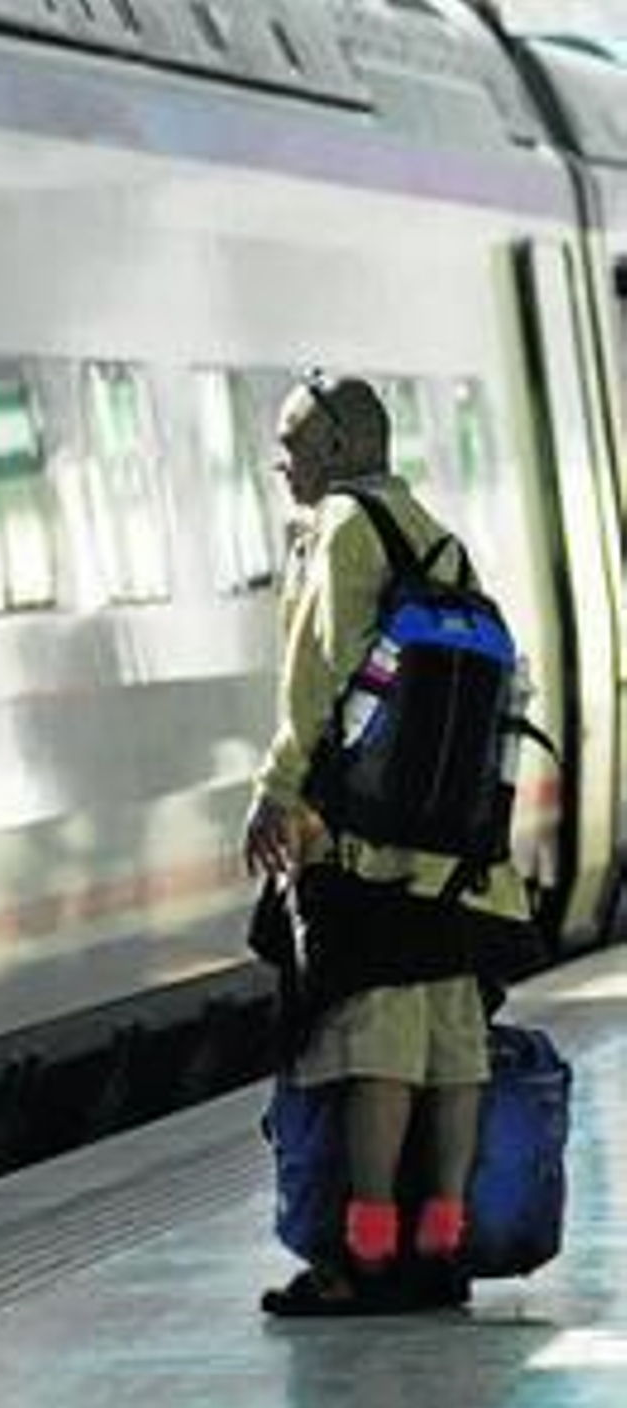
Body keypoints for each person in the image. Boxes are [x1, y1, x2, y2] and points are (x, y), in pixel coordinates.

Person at [242, 373, 530, 1316]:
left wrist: (276, 791)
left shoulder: (339, 527)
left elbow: (317, 680)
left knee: (374, 1051)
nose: (281, 462)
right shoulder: (440, 541)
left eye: (291, 444)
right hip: (454, 855)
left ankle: (363, 1258)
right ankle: (441, 1245)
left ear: (336, 446)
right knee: (454, 1046)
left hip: (369, 850)